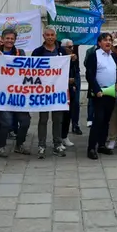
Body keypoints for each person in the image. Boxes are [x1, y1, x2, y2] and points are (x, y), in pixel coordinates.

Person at [0, 28, 32, 157]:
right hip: (3, 95)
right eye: (7, 38)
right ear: (3, 40)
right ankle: (1, 146)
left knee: (25, 121)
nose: (10, 41)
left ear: (15, 40)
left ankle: (19, 144)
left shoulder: (20, 52)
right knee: (6, 122)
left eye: (12, 39)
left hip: (19, 94)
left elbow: (26, 69)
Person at [32, 27, 66, 159]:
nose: (50, 37)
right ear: (43, 36)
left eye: (52, 35)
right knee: (43, 119)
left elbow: (67, 68)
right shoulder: (38, 52)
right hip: (43, 92)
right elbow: (31, 70)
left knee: (58, 119)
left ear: (56, 36)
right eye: (48, 35)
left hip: (57, 91)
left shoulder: (61, 51)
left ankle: (57, 144)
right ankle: (41, 145)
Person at [85, 33, 117, 160]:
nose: (108, 42)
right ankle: (91, 148)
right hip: (99, 93)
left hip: (111, 93)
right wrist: (96, 89)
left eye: (110, 40)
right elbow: (89, 74)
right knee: (98, 120)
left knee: (106, 120)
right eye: (105, 40)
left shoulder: (114, 56)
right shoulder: (94, 55)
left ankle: (101, 144)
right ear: (99, 43)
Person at [60, 39, 81, 143]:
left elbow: (75, 71)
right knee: (60, 116)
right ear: (63, 47)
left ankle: (64, 136)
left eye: (72, 46)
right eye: (69, 47)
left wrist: (73, 84)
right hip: (59, 90)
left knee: (68, 113)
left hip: (70, 89)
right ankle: (58, 138)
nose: (72, 49)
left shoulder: (73, 58)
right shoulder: (59, 57)